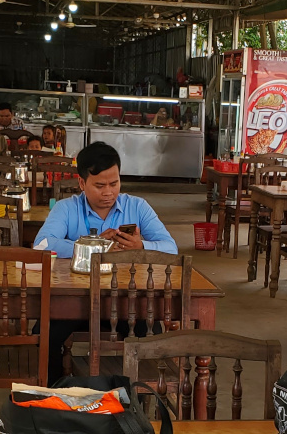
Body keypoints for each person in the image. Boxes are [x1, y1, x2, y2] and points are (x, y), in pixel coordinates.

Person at [35, 140, 179, 380]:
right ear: (81, 183)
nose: (109, 192)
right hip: (75, 302)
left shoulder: (137, 207)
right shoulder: (66, 209)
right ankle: (55, 398)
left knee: (149, 333)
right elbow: (42, 244)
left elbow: (171, 248)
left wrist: (141, 246)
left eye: (114, 183)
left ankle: (134, 400)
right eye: (100, 185)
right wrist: (93, 247)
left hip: (125, 302)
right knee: (43, 334)